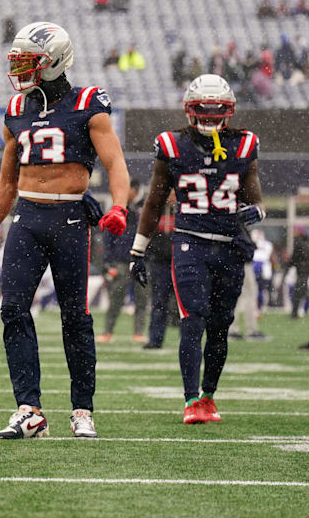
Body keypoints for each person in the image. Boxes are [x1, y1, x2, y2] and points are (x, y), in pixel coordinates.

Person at [0, 22, 131, 439]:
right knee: (12, 310)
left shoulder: (87, 102)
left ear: (54, 62)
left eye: (29, 61)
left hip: (70, 220)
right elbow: (6, 181)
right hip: (27, 218)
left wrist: (119, 207)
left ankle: (82, 409)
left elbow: (115, 163)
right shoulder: (17, 109)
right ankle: (29, 409)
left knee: (75, 317)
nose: (20, 69)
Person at [128, 74, 266, 425]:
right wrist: (138, 249)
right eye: (202, 109)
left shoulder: (243, 145)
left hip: (229, 247)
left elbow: (255, 197)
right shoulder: (172, 146)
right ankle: (190, 400)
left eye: (215, 109)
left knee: (220, 326)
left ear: (229, 110)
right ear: (189, 110)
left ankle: (208, 396)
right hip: (190, 244)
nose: (208, 115)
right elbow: (155, 201)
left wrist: (257, 211)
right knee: (193, 320)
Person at [97, 179, 148, 343]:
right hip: (121, 260)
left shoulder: (146, 206)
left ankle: (139, 332)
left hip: (141, 259)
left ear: (135, 189)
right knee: (115, 299)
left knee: (142, 298)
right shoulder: (119, 208)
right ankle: (107, 331)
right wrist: (109, 261)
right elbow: (109, 235)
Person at [143, 222, 176, 350]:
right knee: (159, 302)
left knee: (187, 304)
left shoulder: (183, 207)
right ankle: (155, 339)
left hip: (181, 260)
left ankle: (189, 340)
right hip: (160, 262)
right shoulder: (157, 207)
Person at [289, 226, 309, 319]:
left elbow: (295, 257)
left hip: (302, 270)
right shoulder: (306, 241)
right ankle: (302, 310)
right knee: (303, 290)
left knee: (299, 291)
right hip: (304, 269)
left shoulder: (298, 241)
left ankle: (295, 312)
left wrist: (289, 265)